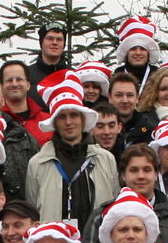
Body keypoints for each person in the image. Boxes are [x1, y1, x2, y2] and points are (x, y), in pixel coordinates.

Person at [26, 81, 116, 227]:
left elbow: (114, 208)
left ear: (83, 119)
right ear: (54, 122)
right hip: (53, 239)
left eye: (73, 115)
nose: (68, 122)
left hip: (94, 239)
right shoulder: (37, 163)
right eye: (62, 117)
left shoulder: (106, 159)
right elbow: (32, 212)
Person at [0, 60, 52, 143]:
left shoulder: (48, 121)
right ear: (1, 87)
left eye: (19, 79)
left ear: (28, 85)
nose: (14, 84)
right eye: (9, 80)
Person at [24, 24, 69, 92]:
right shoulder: (26, 76)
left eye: (59, 39)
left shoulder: (74, 76)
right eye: (50, 39)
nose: (54, 42)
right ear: (41, 42)